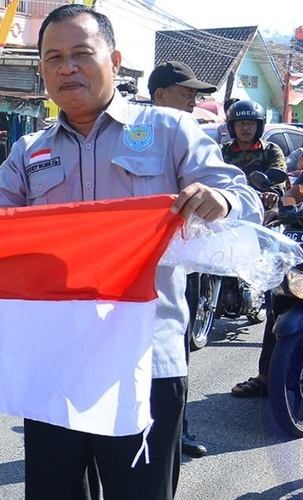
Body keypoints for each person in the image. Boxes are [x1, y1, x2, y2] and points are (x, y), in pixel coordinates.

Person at [0, 6, 262, 499]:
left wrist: (222, 200)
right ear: (41, 69)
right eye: (53, 57)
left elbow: (246, 202)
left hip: (144, 363)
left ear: (115, 59)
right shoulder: (30, 151)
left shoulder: (170, 132)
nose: (67, 67)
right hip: (53, 363)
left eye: (82, 54)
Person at [148, 60, 217, 459]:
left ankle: (179, 429)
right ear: (160, 95)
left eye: (196, 93)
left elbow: (230, 190)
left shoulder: (191, 136)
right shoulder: (130, 135)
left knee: (178, 347)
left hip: (179, 265)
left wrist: (220, 200)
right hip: (126, 275)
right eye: (186, 91)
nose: (194, 99)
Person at [224, 100, 288, 398]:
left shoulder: (270, 150)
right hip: (226, 217)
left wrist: (272, 195)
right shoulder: (224, 153)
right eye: (240, 123)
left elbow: (279, 178)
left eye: (250, 123)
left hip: (262, 218)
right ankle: (266, 376)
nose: (245, 128)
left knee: (276, 289)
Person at [148, 60, 217, 113]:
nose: (193, 103)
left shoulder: (186, 129)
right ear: (160, 96)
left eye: (194, 96)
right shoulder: (142, 128)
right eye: (188, 95)